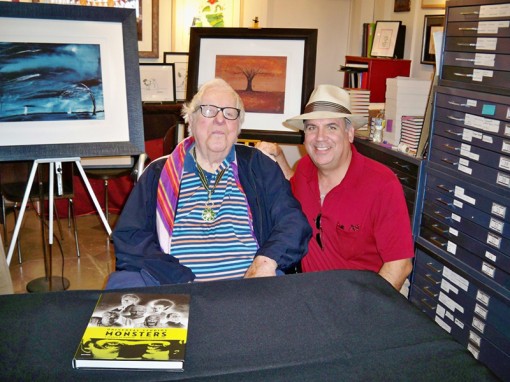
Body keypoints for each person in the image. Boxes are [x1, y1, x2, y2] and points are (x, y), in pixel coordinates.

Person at [107, 78, 311, 288]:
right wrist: (175, 276)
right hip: (176, 287)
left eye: (230, 113)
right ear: (191, 120)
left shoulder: (259, 167)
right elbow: (130, 236)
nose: (220, 120)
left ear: (238, 126)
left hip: (250, 287)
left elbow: (293, 222)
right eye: (209, 110)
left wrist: (266, 262)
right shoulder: (159, 173)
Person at [255, 84, 414, 291]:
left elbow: (400, 265)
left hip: (367, 297)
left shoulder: (382, 184)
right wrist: (278, 156)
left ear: (349, 133)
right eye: (312, 127)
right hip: (313, 293)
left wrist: (365, 311)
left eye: (331, 127)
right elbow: (293, 188)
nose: (320, 137)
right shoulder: (304, 169)